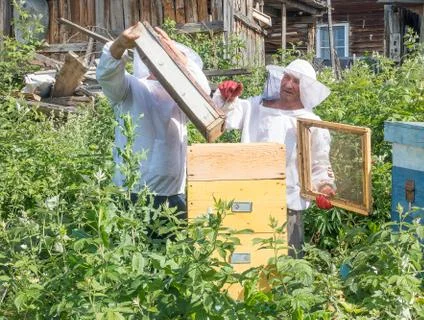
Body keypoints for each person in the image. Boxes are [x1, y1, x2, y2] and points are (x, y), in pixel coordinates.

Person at [214, 59, 335, 257]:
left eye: (296, 81)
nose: (288, 84)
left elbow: (320, 163)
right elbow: (226, 117)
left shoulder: (312, 123)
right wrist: (227, 96)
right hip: (251, 195)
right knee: (250, 258)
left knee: (288, 263)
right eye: (286, 77)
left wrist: (325, 187)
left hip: (288, 203)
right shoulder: (256, 106)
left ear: (306, 89)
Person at [96, 23, 210, 218]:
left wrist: (175, 52)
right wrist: (121, 44)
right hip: (132, 192)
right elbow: (107, 73)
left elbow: (203, 91)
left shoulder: (182, 95)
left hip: (174, 195)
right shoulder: (131, 87)